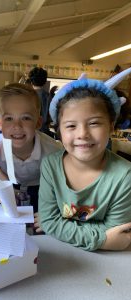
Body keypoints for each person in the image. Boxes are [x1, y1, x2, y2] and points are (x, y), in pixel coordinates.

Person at [38, 69, 131, 251]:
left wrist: (58, 226)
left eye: (94, 123)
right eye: (71, 126)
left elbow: (118, 233)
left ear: (111, 126)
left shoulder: (125, 176)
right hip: (62, 256)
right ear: (59, 131)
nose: (82, 134)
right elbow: (49, 221)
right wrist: (102, 239)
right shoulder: (50, 166)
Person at [0, 83, 62, 216]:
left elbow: (59, 186)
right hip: (7, 190)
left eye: (25, 118)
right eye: (9, 118)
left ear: (38, 122)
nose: (17, 126)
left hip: (43, 193)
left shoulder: (54, 151)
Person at [28, 67, 51, 134]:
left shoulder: (27, 96)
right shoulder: (49, 96)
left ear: (31, 81)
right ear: (44, 81)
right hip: (45, 132)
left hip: (31, 131)